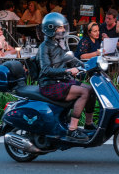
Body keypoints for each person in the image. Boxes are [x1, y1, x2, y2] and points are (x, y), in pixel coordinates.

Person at [38, 12, 96, 141]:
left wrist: (89, 66)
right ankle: (72, 130)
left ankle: (88, 124)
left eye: (64, 27)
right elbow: (46, 69)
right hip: (49, 84)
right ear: (51, 29)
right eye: (60, 28)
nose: (63, 30)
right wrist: (68, 71)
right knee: (84, 92)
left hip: (62, 81)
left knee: (92, 90)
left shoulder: (60, 43)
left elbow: (71, 58)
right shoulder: (44, 47)